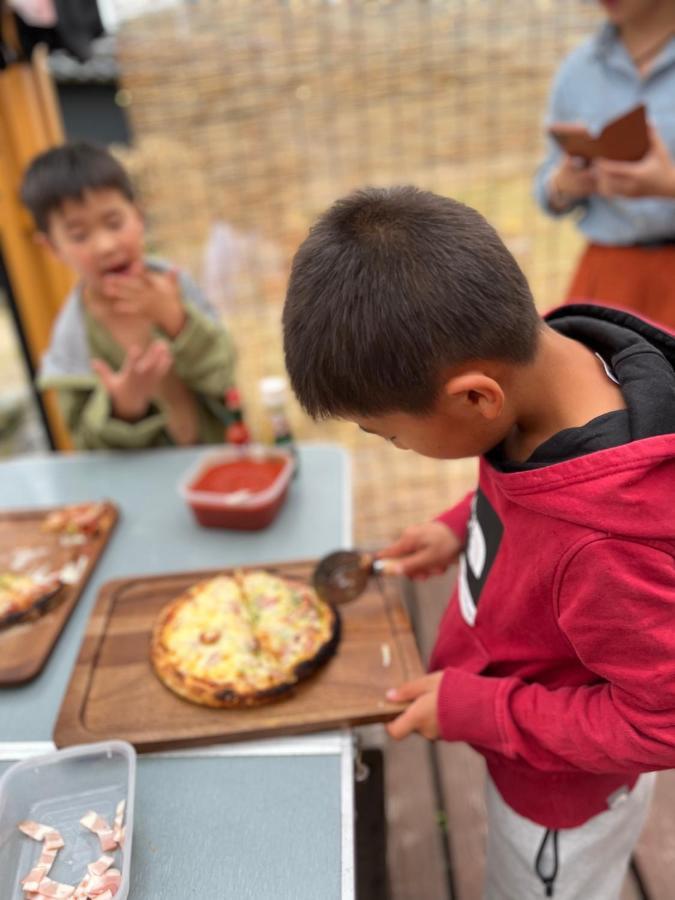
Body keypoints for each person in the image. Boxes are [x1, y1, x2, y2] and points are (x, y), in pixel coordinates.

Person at [282, 186, 675, 899]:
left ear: (473, 398)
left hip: (557, 809)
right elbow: (535, 483)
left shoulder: (606, 541)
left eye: (392, 434)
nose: (398, 448)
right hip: (523, 744)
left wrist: (481, 710)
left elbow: (659, 719)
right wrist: (460, 522)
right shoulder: (552, 358)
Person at [21, 141, 237, 450]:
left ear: (139, 217)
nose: (105, 246)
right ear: (52, 248)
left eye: (114, 222)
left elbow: (224, 376)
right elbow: (85, 445)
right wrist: (124, 408)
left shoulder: (176, 289)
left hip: (221, 456)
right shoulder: (71, 343)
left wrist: (176, 320)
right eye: (79, 235)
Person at [535, 0, 675, 329]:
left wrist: (667, 185)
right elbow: (547, 183)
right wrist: (562, 185)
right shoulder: (578, 68)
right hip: (610, 279)